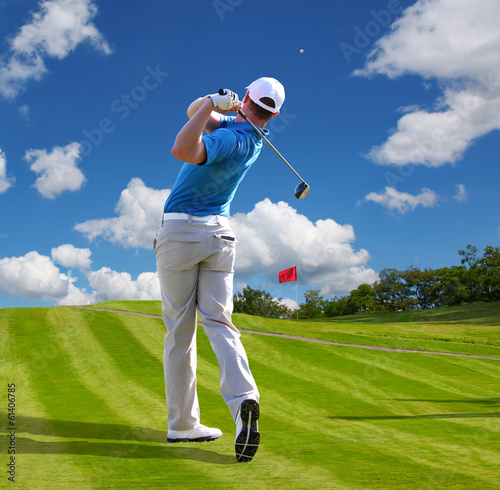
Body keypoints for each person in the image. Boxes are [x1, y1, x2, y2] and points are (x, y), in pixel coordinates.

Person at [154, 77, 285, 463]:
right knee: (220, 322)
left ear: (247, 98)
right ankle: (245, 399)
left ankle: (182, 424)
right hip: (221, 236)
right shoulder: (249, 138)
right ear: (275, 113)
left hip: (181, 232)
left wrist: (215, 100)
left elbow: (181, 147)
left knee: (180, 329)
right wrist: (214, 104)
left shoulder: (228, 140)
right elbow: (195, 112)